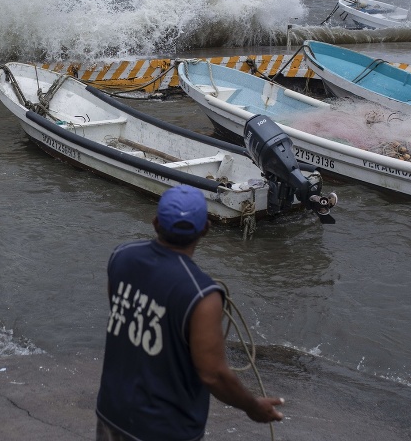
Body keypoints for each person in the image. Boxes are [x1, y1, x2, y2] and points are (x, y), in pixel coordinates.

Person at [96, 185, 285, 441]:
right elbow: (212, 373)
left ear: (155, 223)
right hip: (164, 429)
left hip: (112, 413)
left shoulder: (121, 256)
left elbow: (124, 316)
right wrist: (253, 407)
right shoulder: (203, 295)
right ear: (205, 229)